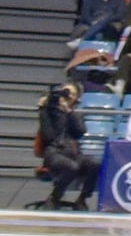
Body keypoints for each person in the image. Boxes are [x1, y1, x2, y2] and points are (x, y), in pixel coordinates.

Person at [35, 81, 93, 209]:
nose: (68, 96)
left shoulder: (76, 114)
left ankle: (82, 199)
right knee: (72, 167)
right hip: (54, 152)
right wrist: (44, 110)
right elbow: (48, 136)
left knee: (95, 164)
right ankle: (54, 197)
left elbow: (80, 132)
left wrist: (68, 112)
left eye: (72, 94)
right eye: (66, 92)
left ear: (76, 98)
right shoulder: (48, 112)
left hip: (73, 152)